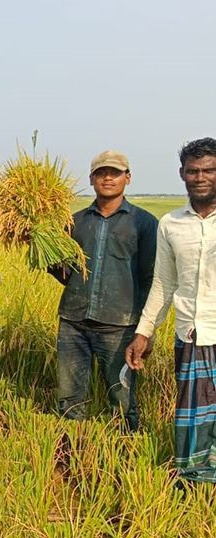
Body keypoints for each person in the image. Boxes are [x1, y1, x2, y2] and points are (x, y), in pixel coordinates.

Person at [127, 137, 216, 482]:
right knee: (194, 417)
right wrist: (144, 332)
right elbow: (164, 284)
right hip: (191, 336)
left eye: (208, 170)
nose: (200, 177)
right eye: (193, 171)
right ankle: (195, 480)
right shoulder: (171, 224)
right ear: (182, 174)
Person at [50, 151, 157, 432]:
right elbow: (65, 272)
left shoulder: (144, 223)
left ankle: (125, 452)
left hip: (119, 326)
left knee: (121, 396)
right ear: (91, 179)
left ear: (127, 178)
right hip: (73, 321)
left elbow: (151, 278)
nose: (107, 178)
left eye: (115, 172)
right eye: (101, 173)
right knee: (70, 396)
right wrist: (40, 243)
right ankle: (72, 446)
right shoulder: (74, 222)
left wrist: (146, 331)